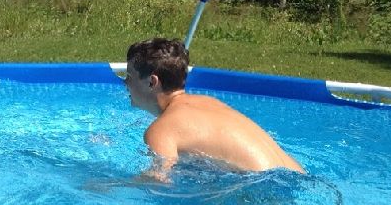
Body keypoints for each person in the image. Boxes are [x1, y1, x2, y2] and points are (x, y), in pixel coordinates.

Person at [125, 38, 304, 181]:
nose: (125, 83)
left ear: (152, 82)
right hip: (298, 177)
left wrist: (105, 188)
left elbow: (158, 183)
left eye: (129, 76)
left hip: (268, 186)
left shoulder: (162, 130)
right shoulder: (208, 102)